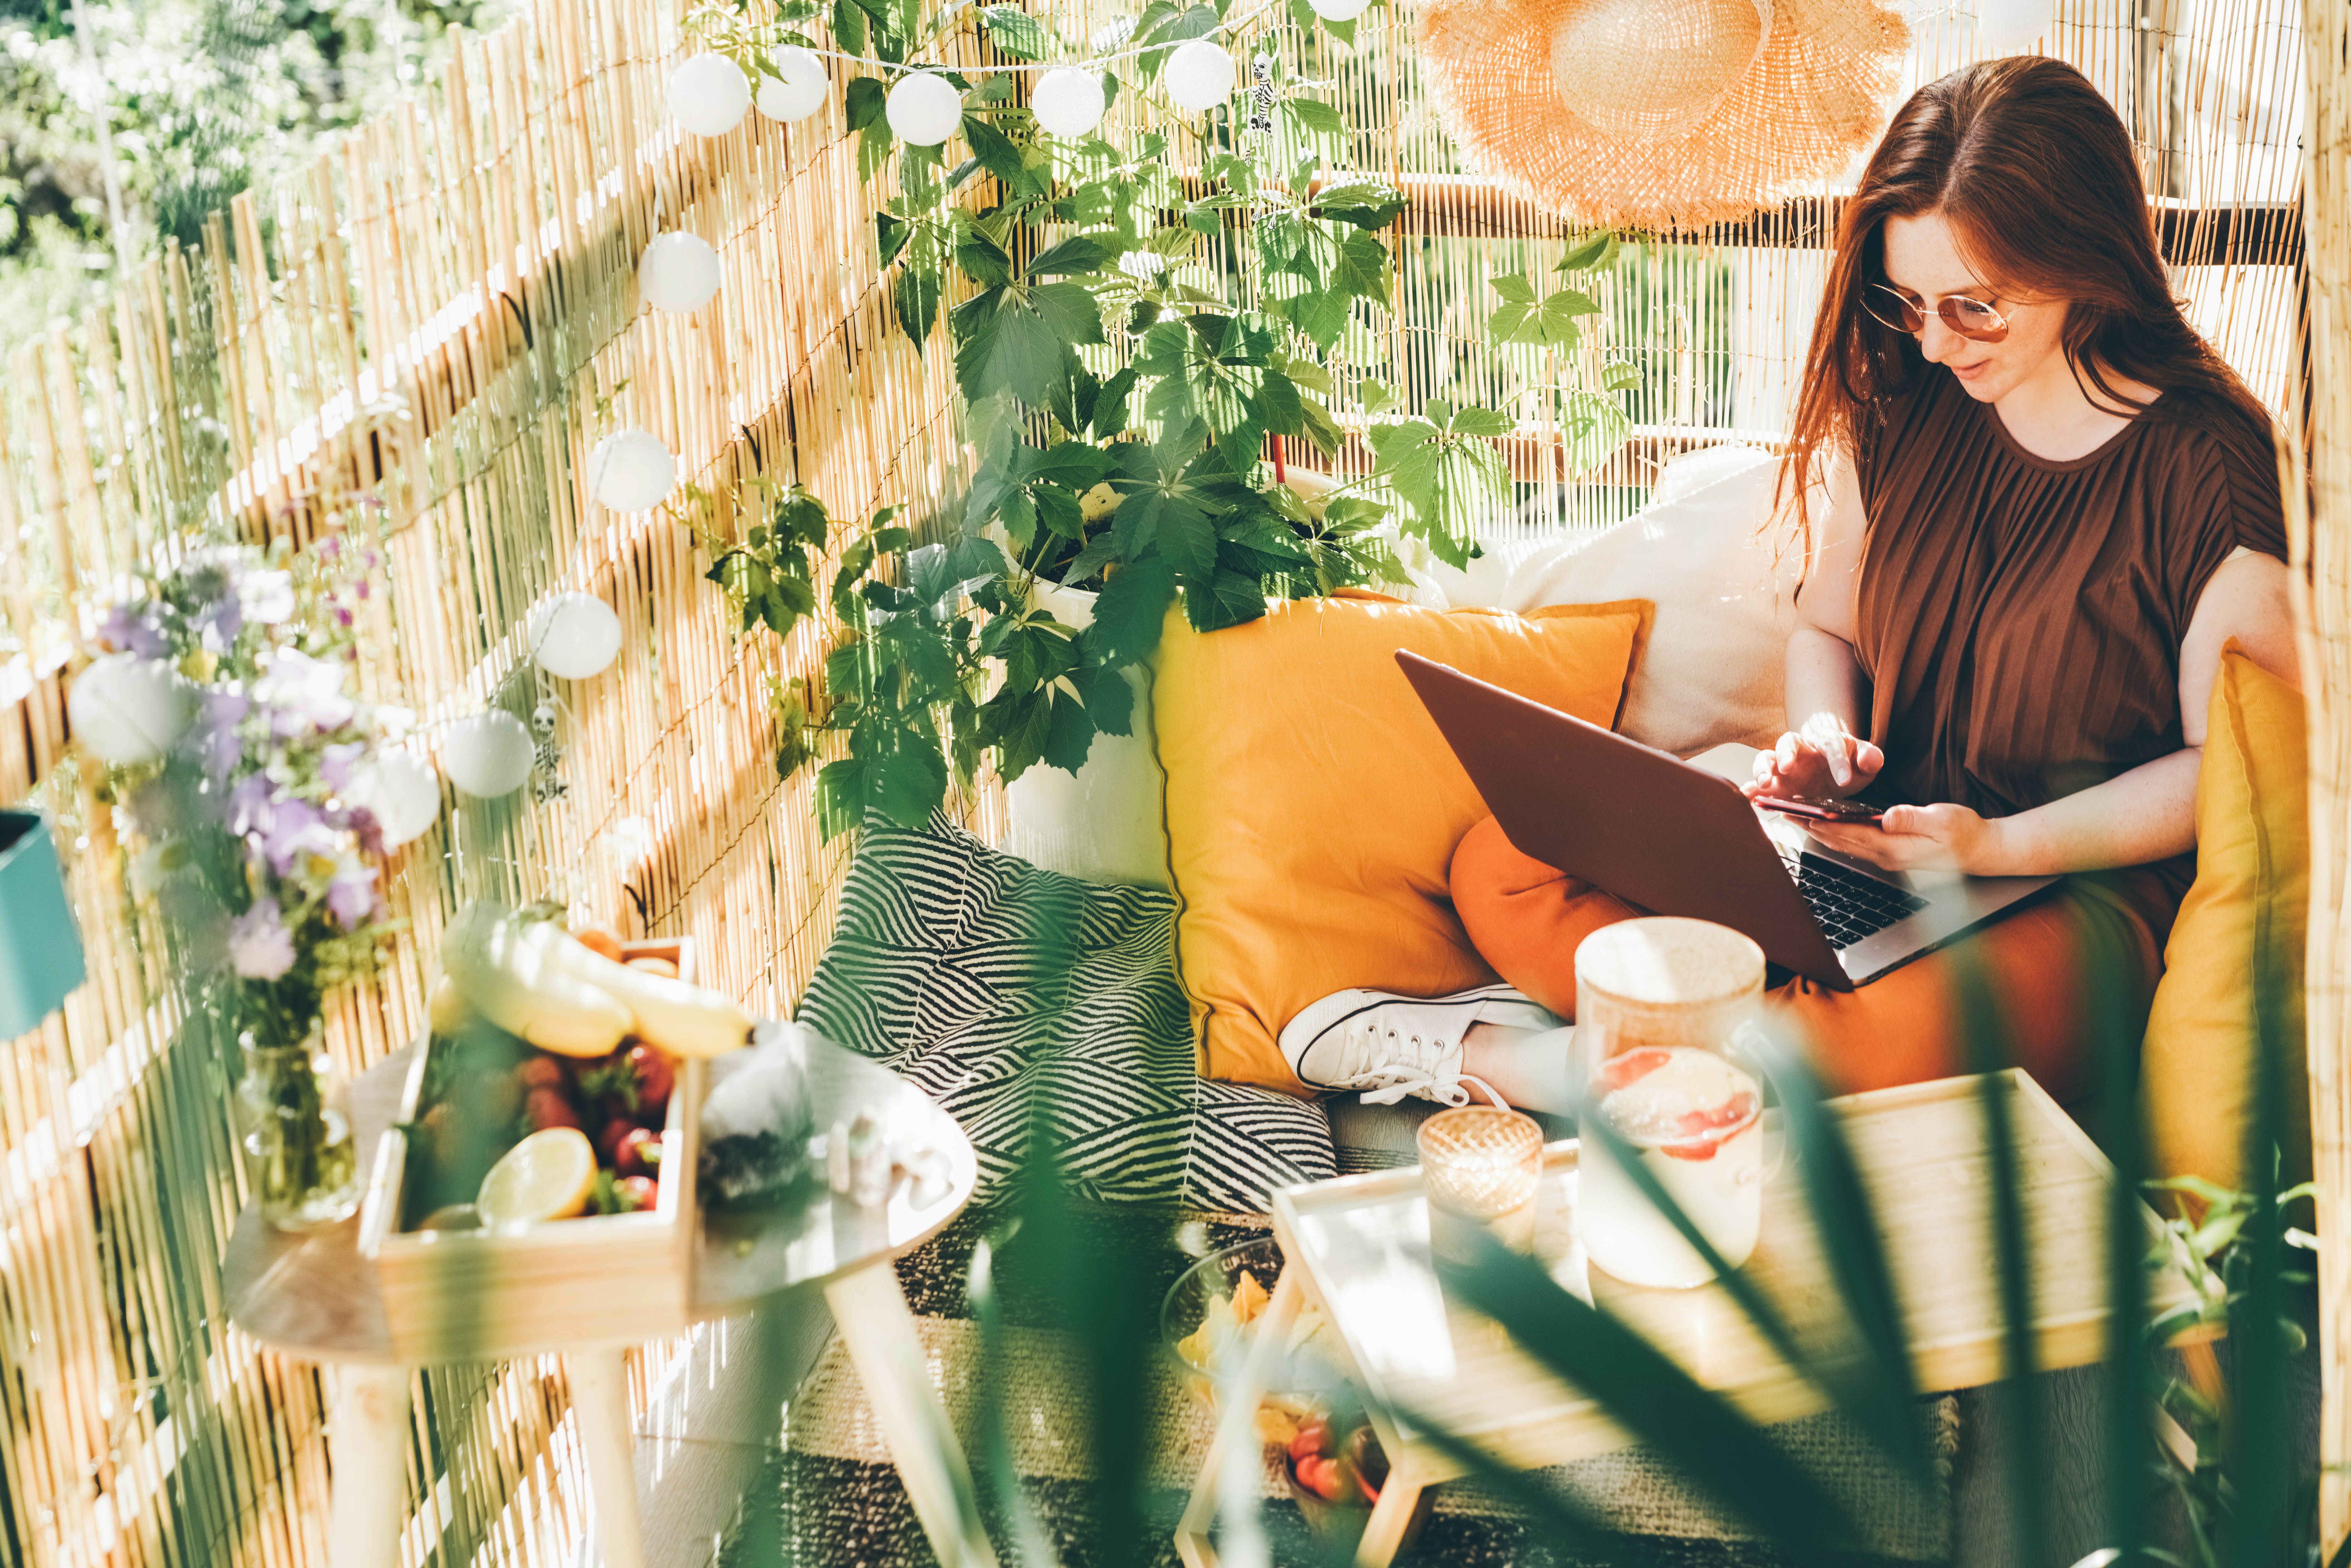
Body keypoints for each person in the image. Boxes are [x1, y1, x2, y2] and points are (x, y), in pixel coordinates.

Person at [1277, 56, 2300, 1115]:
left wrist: (2000, 844)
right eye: (1906, 302)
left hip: (2070, 890)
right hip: (1877, 842)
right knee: (1505, 860)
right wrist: (1823, 744)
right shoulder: (1911, 399)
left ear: (2086, 262)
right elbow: (1829, 629)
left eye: (1976, 307)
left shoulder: (2211, 468)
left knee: (1829, 1055)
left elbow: (2224, 770)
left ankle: (1516, 1061)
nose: (1938, 342)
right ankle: (1736, 1039)